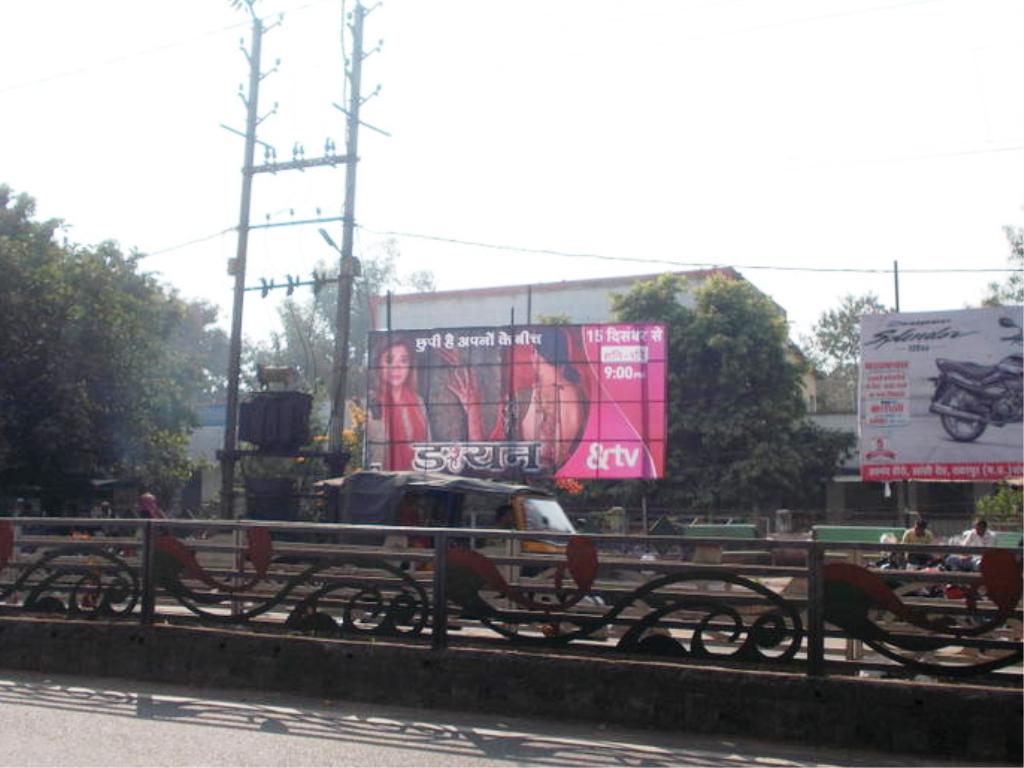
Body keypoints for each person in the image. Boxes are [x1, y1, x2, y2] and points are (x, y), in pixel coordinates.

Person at [367, 339, 430, 470]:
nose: (397, 367)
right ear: (378, 364)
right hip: (382, 485)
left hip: (417, 483)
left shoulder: (418, 402)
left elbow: (428, 448)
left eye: (403, 360)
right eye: (389, 360)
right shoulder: (371, 404)